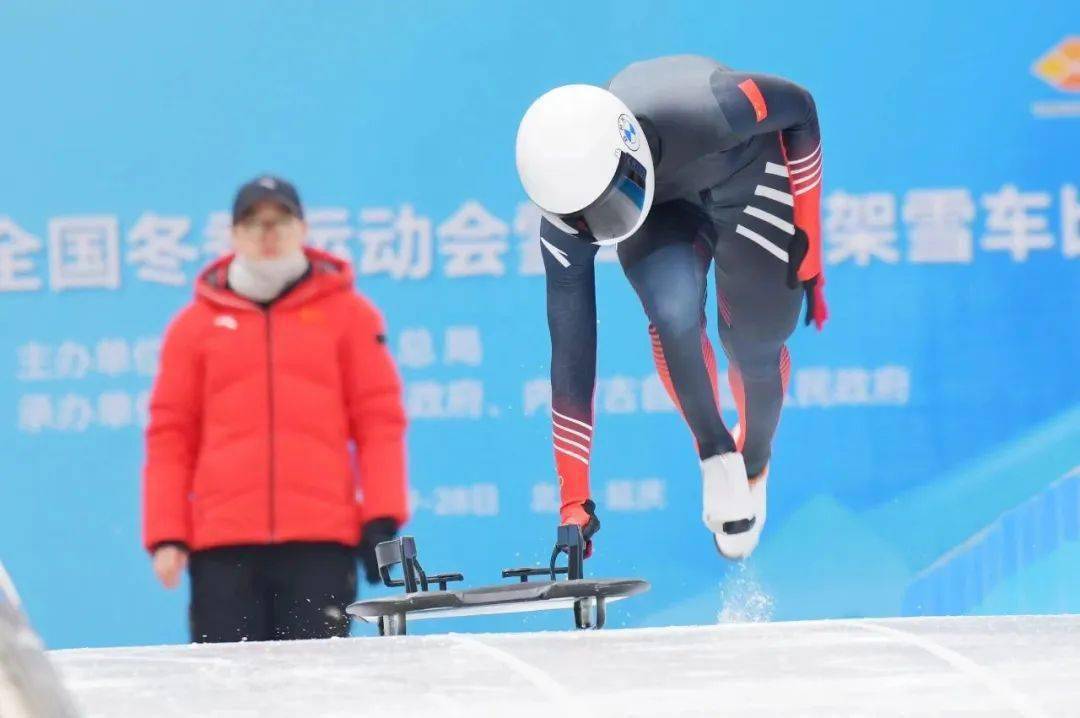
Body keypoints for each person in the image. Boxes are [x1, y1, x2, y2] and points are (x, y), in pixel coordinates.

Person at [516, 55, 826, 560]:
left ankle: (754, 461)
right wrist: (574, 501)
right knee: (673, 308)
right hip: (661, 209)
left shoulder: (720, 106)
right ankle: (715, 452)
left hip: (743, 171)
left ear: (628, 152)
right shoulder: (566, 221)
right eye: (594, 219)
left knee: (756, 339)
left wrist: (809, 237)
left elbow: (802, 109)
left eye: (611, 203)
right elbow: (571, 356)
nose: (601, 223)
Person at [142, 175, 409, 641]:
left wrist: (381, 518)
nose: (268, 234)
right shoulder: (193, 327)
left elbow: (378, 423)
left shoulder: (349, 316)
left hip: (320, 544)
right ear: (233, 235)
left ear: (303, 229)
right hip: (224, 547)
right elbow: (170, 435)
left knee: (317, 693)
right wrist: (167, 533)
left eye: (280, 220)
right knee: (226, 695)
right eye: (253, 223)